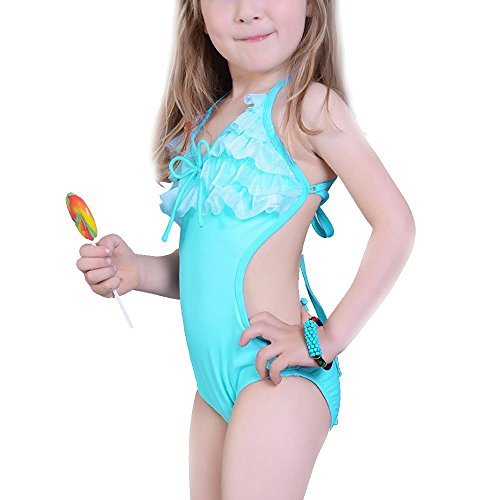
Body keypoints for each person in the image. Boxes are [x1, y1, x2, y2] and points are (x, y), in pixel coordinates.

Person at [76, 0, 416, 498]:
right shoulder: (204, 123)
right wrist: (137, 271)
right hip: (212, 387)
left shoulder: (308, 107)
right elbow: (206, 268)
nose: (247, 11)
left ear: (311, 6)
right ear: (197, 12)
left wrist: (327, 339)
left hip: (277, 375)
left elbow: (396, 225)